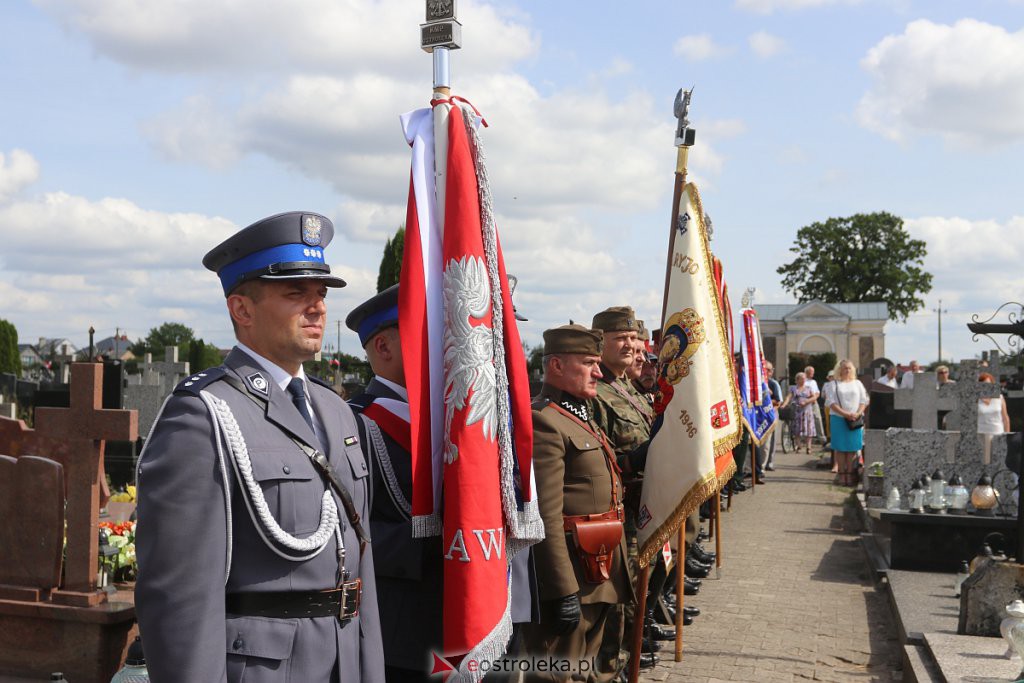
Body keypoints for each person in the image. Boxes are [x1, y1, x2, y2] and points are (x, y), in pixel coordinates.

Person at [135, 211, 385, 683]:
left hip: (345, 662)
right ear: (242, 310)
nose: (317, 308)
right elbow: (180, 598)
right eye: (296, 294)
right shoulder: (203, 415)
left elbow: (359, 571)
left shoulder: (336, 411)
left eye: (321, 294)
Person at [524, 324, 633, 683]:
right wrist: (561, 589)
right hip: (573, 575)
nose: (598, 373)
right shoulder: (545, 421)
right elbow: (546, 517)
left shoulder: (580, 417)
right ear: (556, 366)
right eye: (588, 363)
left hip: (598, 568)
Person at [345, 285, 442, 682]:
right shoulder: (355, 424)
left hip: (467, 621)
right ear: (383, 347)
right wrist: (433, 539)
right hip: (400, 633)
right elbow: (345, 534)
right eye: (425, 332)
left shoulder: (450, 419)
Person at [823, 360, 869, 487]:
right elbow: (831, 403)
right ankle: (842, 474)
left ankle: (850, 473)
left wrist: (858, 413)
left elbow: (864, 400)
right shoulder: (833, 384)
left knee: (852, 448)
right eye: (844, 368)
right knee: (841, 448)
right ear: (839, 370)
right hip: (839, 418)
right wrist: (845, 414)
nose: (847, 370)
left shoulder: (857, 383)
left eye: (849, 368)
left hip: (855, 419)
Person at [978, 371, 1011, 465]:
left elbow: (1005, 418)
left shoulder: (999, 397)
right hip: (980, 434)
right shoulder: (975, 399)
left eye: (988, 384)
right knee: (985, 462)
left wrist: (1007, 435)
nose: (986, 386)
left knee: (999, 462)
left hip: (997, 433)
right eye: (982, 384)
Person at [789, 372, 817, 454]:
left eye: (804, 378)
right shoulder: (793, 388)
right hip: (797, 411)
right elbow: (789, 397)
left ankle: (808, 447)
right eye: (802, 378)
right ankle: (799, 445)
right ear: (797, 380)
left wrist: (807, 401)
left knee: (809, 429)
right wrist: (784, 404)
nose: (803, 380)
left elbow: (814, 398)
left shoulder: (809, 388)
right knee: (797, 429)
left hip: (807, 411)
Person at [763, 361, 783, 471]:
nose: (768, 372)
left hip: (771, 413)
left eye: (770, 370)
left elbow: (778, 401)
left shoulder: (773, 384)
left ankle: (769, 462)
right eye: (766, 369)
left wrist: (768, 406)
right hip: (760, 415)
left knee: (772, 439)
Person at [804, 365, 824, 443]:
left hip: (814, 403)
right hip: (805, 403)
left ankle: (822, 438)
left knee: (818, 419)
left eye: (813, 372)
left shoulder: (814, 382)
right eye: (811, 372)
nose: (813, 373)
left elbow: (817, 392)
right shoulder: (803, 381)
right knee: (805, 421)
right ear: (807, 372)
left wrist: (814, 398)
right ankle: (805, 439)